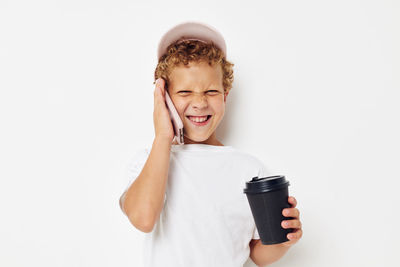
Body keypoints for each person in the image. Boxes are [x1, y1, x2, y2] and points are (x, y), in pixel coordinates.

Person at [119, 21, 303, 267]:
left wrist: (284, 239)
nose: (199, 103)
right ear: (164, 98)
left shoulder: (249, 170)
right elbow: (143, 218)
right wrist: (163, 136)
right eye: (185, 92)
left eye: (211, 92)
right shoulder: (149, 161)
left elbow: (257, 255)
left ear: (225, 95)